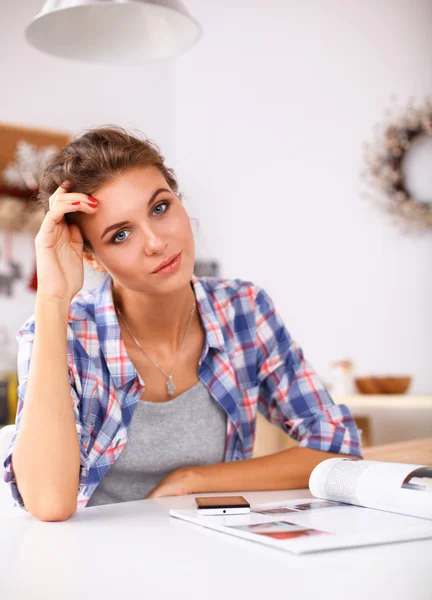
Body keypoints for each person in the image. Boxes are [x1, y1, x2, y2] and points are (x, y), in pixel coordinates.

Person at [3, 127, 362, 522]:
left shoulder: (243, 309)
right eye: (120, 235)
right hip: (95, 565)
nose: (156, 242)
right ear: (91, 258)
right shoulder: (64, 334)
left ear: (178, 200)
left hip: (214, 550)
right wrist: (53, 300)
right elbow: (49, 504)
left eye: (159, 208)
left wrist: (194, 480)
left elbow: (337, 446)